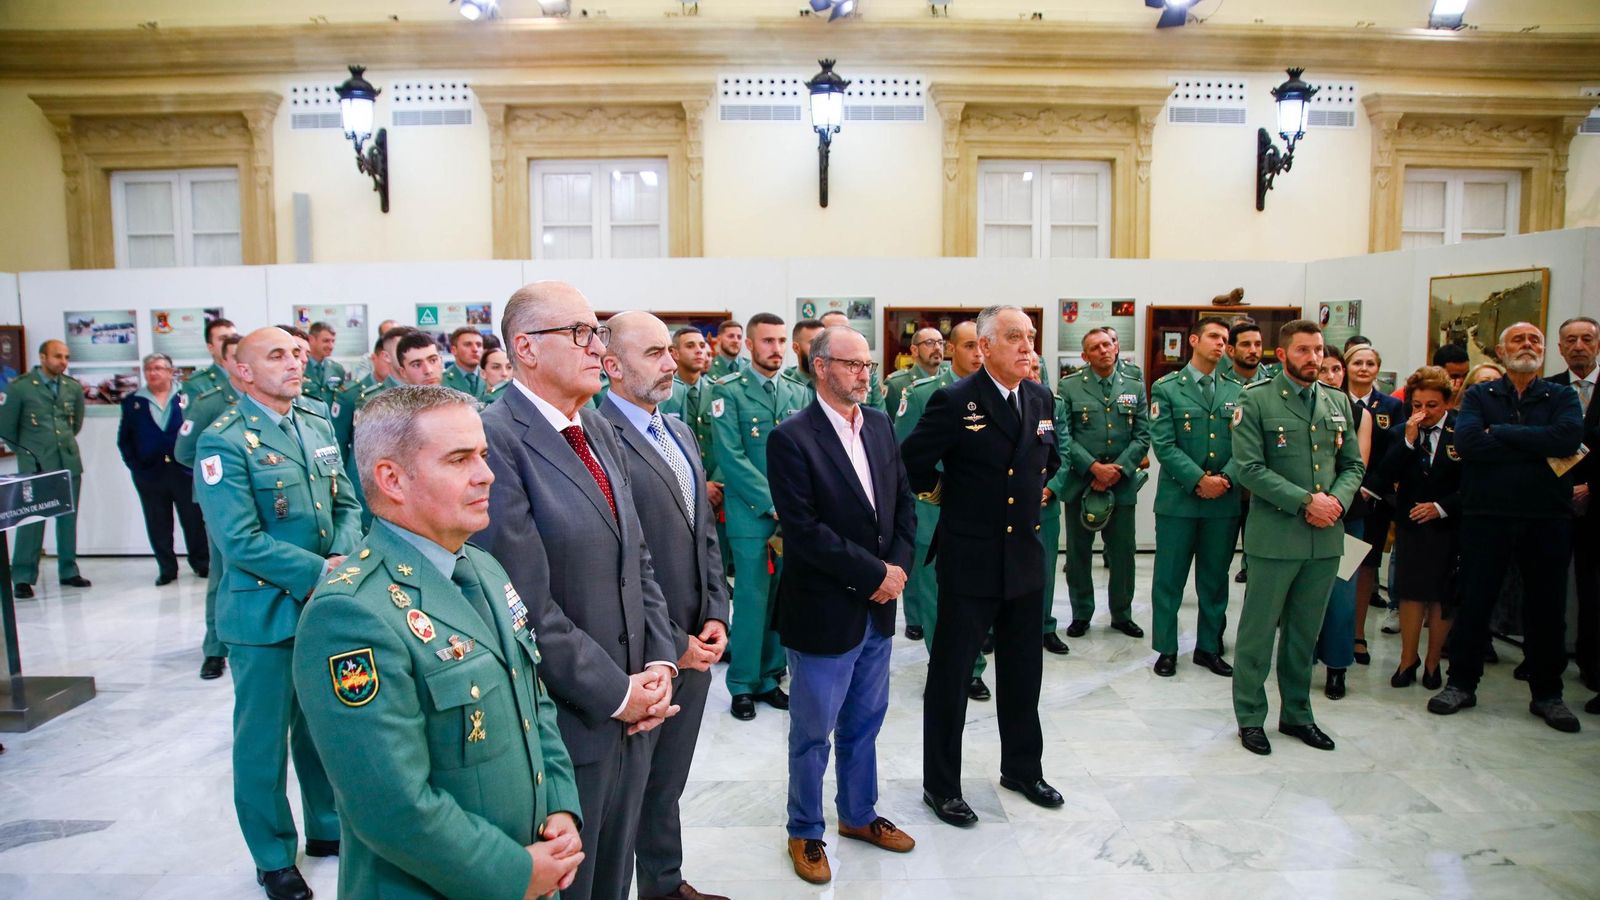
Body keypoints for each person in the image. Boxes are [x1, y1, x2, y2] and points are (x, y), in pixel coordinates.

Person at [292, 385, 585, 899]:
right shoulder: (352, 614)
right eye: (458, 459)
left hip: (530, 864)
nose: (486, 474)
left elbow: (531, 702)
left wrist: (558, 802)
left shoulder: (483, 567)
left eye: (483, 455)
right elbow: (392, 807)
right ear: (392, 479)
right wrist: (512, 872)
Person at [477, 281, 680, 900]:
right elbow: (524, 604)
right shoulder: (496, 438)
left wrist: (659, 663)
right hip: (566, 720)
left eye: (597, 332)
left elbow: (637, 556)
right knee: (575, 883)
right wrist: (618, 692)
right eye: (580, 333)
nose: (598, 347)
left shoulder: (595, 427)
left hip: (634, 709)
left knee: (614, 877)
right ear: (526, 349)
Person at [192, 327, 361, 900]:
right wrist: (322, 571)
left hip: (324, 607)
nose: (295, 363)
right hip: (264, 616)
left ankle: (327, 828)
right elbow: (238, 540)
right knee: (263, 744)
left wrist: (341, 553)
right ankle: (272, 856)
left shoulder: (313, 422)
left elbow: (346, 502)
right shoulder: (224, 441)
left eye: (296, 353)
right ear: (242, 371)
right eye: (277, 356)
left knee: (321, 730)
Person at [902, 304, 1063, 827]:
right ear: (986, 346)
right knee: (950, 678)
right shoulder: (954, 400)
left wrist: (1035, 489)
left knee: (1023, 673)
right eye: (1014, 337)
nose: (1027, 346)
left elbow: (1049, 456)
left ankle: (1021, 767)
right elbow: (912, 464)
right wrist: (955, 496)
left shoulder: (1040, 397)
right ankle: (941, 784)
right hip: (970, 559)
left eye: (1031, 337)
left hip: (1024, 559)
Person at [767, 326, 917, 883]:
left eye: (869, 365)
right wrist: (874, 574)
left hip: (878, 608)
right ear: (821, 366)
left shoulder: (878, 425)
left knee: (865, 723)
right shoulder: (792, 437)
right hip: (825, 610)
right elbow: (804, 532)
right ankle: (805, 830)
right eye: (853, 364)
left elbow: (902, 501)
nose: (864, 374)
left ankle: (858, 815)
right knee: (813, 732)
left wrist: (894, 572)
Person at [596, 312, 731, 900]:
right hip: (642, 649)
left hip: (696, 640)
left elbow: (703, 531)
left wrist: (718, 613)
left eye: (668, 352)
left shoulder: (675, 428)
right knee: (626, 789)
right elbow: (623, 558)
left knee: (666, 781)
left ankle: (664, 884)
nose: (671, 363)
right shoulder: (597, 436)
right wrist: (675, 641)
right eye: (654, 353)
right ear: (612, 366)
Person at [1429, 323, 1585, 733]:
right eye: (1518, 340)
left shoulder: (1562, 395)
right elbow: (1467, 443)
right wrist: (1536, 444)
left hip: (1546, 517)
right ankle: (1461, 683)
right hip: (1487, 516)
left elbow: (1568, 438)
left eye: (1534, 340)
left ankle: (1548, 694)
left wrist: (1499, 433)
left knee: (1547, 608)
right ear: (1500, 350)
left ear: (1544, 350)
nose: (1527, 345)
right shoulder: (1482, 394)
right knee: (1476, 601)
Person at [1230, 319, 1364, 756]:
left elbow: (1353, 466)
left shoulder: (1337, 401)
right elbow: (1249, 468)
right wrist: (1307, 501)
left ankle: (1298, 714)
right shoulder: (1256, 400)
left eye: (1319, 350)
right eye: (1304, 350)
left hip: (1325, 539)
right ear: (1282, 354)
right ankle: (1251, 717)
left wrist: (1335, 502)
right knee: (1258, 632)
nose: (1314, 358)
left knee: (1305, 633)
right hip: (1277, 536)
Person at [711, 312, 808, 720]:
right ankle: (742, 683)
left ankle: (770, 676)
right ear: (749, 345)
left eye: (782, 341)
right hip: (753, 517)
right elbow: (730, 458)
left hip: (792, 519)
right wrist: (774, 502)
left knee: (781, 602)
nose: (777, 349)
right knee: (751, 602)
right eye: (767, 341)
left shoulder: (797, 392)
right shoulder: (728, 391)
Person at [895, 321, 994, 695]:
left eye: (982, 346)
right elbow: (903, 457)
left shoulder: (998, 393)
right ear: (952, 350)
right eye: (969, 345)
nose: (977, 354)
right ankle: (949, 668)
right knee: (937, 597)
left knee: (976, 594)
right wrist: (939, 492)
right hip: (933, 511)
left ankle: (973, 664)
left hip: (984, 516)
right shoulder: (923, 394)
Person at [1147, 316, 1242, 678]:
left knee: (1215, 579)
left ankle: (1208, 647)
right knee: (1169, 578)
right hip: (1179, 501)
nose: (1221, 344)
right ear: (1193, 341)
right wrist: (1199, 479)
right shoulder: (1168, 387)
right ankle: (1167, 648)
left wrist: (1226, 479)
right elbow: (1164, 444)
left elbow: (1245, 445)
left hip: (1223, 502)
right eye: (1214, 337)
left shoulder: (1237, 389)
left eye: (1225, 339)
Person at [1058, 326, 1150, 639]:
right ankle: (1081, 613)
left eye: (1108, 344)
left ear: (1117, 346)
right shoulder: (1070, 386)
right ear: (1085, 355)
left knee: (1123, 553)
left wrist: (1117, 469)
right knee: (1079, 554)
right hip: (1081, 482)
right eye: (1095, 347)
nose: (1103, 350)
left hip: (1121, 484)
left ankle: (1122, 614)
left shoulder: (1135, 385)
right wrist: (1094, 468)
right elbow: (1064, 437)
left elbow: (1142, 435)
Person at [1378, 367, 1461, 690]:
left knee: (1441, 596)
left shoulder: (1462, 433)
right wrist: (1409, 443)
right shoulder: (1401, 432)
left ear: (1446, 404)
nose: (1423, 413)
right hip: (1411, 523)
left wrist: (1441, 508)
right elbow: (1384, 474)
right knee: (1410, 593)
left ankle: (1432, 662)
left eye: (1431, 406)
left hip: (1448, 524)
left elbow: (1473, 484)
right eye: (1416, 405)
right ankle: (1407, 659)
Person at [0, 339, 89, 599]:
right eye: (58, 356)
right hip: (35, 464)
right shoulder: (21, 388)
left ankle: (68, 569)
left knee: (67, 518)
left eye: (66, 357)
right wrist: (29, 451)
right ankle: (23, 576)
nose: (63, 361)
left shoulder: (71, 387)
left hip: (67, 461)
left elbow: (75, 424)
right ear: (42, 357)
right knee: (31, 520)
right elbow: (7, 428)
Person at [178, 333, 244, 679]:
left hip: (263, 501)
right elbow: (184, 451)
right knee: (221, 573)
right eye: (234, 356)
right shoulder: (209, 400)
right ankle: (214, 649)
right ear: (225, 361)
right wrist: (217, 481)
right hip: (222, 503)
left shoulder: (269, 399)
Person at [1311, 346, 1373, 700]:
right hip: (1303, 512)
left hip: (1345, 515)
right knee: (1302, 594)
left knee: (1342, 596)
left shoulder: (1356, 412)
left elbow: (1356, 464)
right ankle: (1301, 660)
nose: (1331, 376)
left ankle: (1337, 667)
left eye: (1336, 369)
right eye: (1324, 370)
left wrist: (1333, 503)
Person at [117, 352, 208, 586]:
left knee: (193, 520)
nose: (153, 373)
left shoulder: (188, 397)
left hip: (184, 471)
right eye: (148, 369)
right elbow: (124, 439)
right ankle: (167, 568)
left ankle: (201, 563)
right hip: (150, 474)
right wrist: (135, 465)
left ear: (170, 371)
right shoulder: (133, 401)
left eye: (158, 368)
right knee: (158, 521)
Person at [1547, 316, 1598, 692]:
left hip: (1596, 507)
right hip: (1552, 503)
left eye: (1587, 339)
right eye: (1571, 340)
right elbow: (1538, 443)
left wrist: (1590, 486)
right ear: (1561, 347)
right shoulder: (1547, 390)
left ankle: (1593, 666)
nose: (1579, 346)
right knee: (1548, 587)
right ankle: (1544, 659)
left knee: (1593, 590)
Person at [1344, 343, 1405, 647]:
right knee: (1340, 566)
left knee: (1366, 565)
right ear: (1347, 367)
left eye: (1370, 363)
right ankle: (1329, 633)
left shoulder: (1391, 407)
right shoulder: (1335, 399)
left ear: (1377, 369)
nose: (1364, 368)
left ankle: (1357, 634)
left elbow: (1395, 452)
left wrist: (1370, 487)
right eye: (1358, 362)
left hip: (1374, 499)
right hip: (1339, 498)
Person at [661, 326, 727, 580]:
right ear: (674, 353)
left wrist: (716, 483)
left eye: (702, 345)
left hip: (718, 489)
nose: (700, 351)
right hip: (678, 487)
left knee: (715, 561)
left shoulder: (718, 391)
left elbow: (726, 443)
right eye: (691, 346)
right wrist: (699, 485)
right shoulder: (665, 393)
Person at [1223, 319, 1271, 586]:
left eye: (1258, 344)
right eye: (1245, 345)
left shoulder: (1275, 383)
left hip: (1264, 485)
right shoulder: (1219, 383)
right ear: (1231, 350)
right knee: (1218, 560)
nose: (1253, 350)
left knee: (1263, 561)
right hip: (1228, 483)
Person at [817, 309, 884, 410]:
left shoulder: (868, 373)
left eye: (846, 331)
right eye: (835, 332)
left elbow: (879, 416)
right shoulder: (811, 373)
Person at [886, 327, 945, 424]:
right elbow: (891, 428)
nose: (938, 347)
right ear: (914, 350)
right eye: (929, 343)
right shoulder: (896, 384)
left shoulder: (952, 380)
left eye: (941, 343)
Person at [183, 317, 238, 400]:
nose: (230, 342)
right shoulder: (195, 383)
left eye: (234, 337)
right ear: (210, 348)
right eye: (223, 339)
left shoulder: (252, 376)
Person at [780, 318, 825, 405]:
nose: (821, 349)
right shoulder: (783, 389)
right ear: (796, 348)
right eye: (814, 343)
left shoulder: (837, 386)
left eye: (824, 343)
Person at [301, 322, 346, 405]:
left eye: (333, 341)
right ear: (311, 339)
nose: (331, 346)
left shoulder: (337, 369)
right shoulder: (300, 366)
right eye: (326, 341)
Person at [441, 326, 488, 399]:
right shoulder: (443, 380)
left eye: (479, 345)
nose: (475, 349)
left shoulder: (490, 377)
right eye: (468, 344)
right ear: (454, 350)